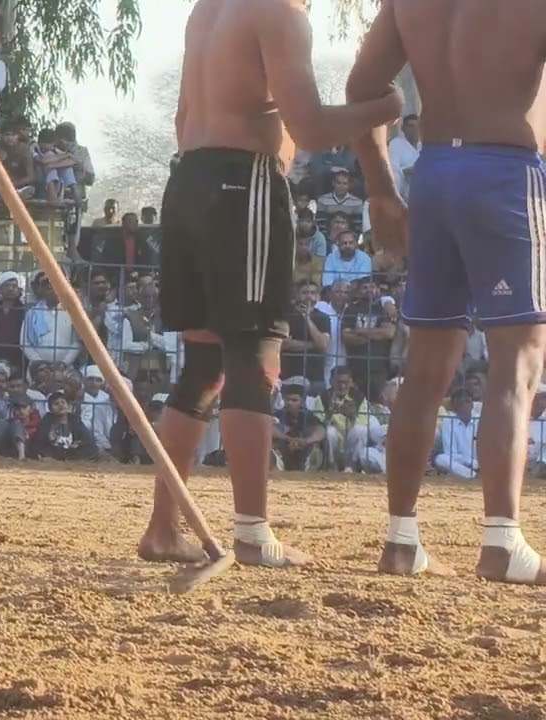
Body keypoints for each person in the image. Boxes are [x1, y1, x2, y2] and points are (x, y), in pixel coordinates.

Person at [138, 0, 403, 568]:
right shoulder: (280, 12)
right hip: (244, 182)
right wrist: (381, 107)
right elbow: (308, 127)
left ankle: (164, 527)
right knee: (253, 357)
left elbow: (184, 119)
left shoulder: (206, 11)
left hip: (189, 179)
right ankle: (253, 531)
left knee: (204, 365)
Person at [346, 0, 546, 585]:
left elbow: (362, 85)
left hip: (434, 174)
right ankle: (502, 540)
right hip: (505, 172)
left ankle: (401, 541)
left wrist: (382, 188)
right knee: (517, 360)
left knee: (426, 370)